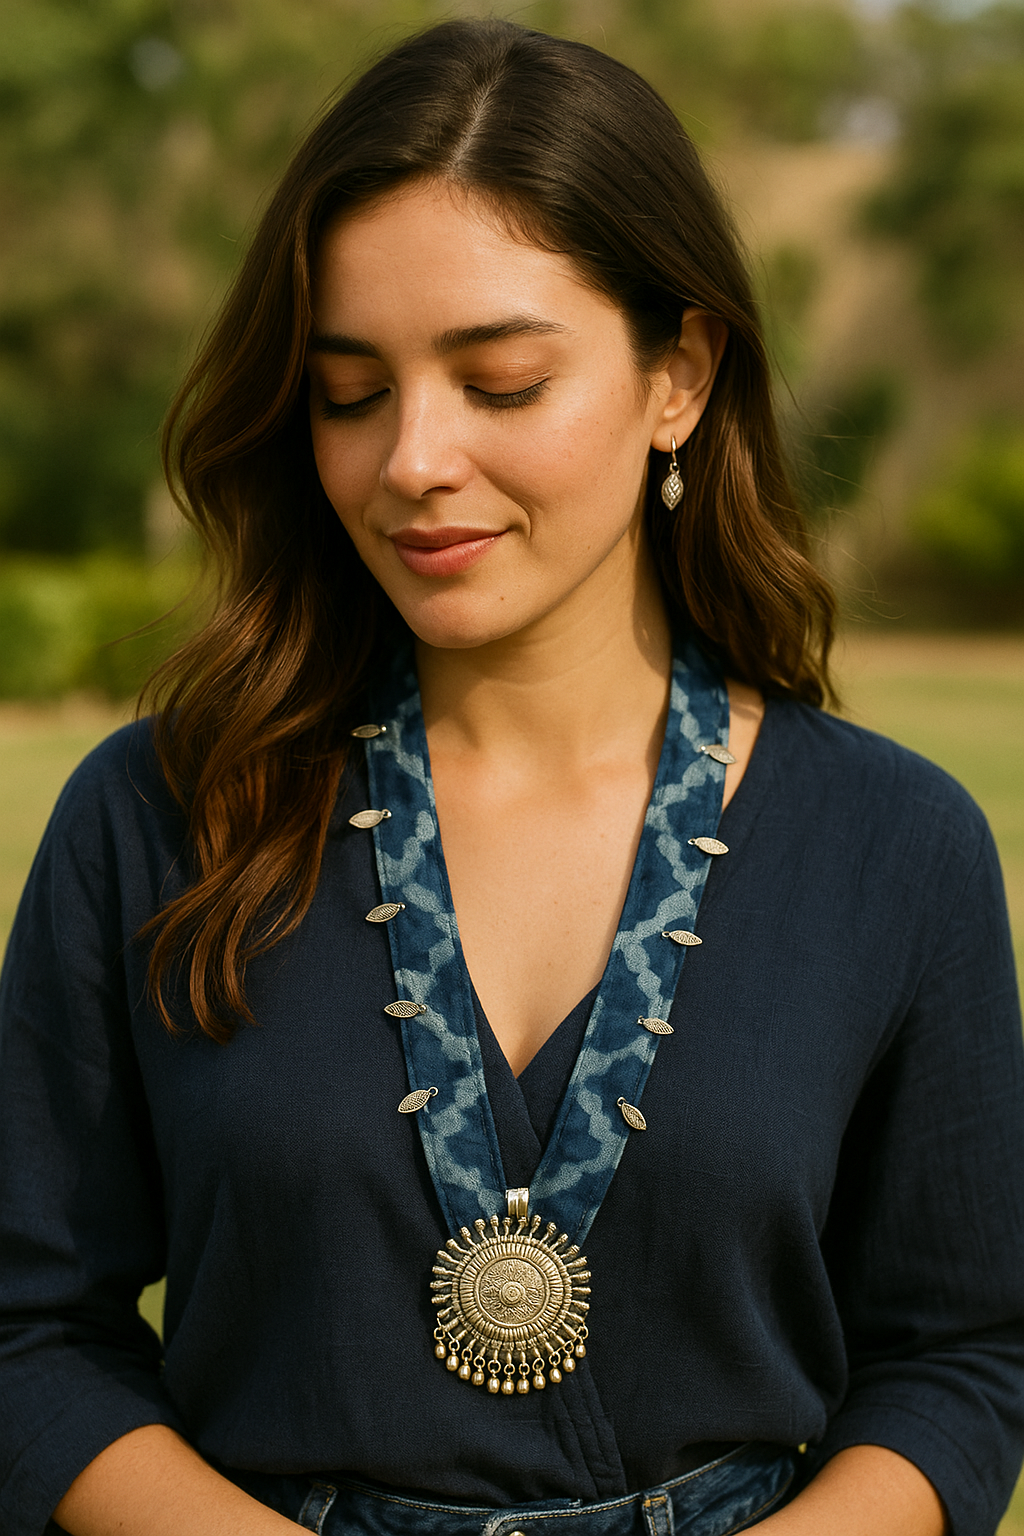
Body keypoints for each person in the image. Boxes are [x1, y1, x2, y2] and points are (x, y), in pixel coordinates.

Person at [1, 17, 1022, 1536]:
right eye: (350, 392)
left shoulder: (896, 847)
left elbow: (963, 1359)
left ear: (677, 375)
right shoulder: (157, 817)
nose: (411, 457)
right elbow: (28, 1335)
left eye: (499, 381)